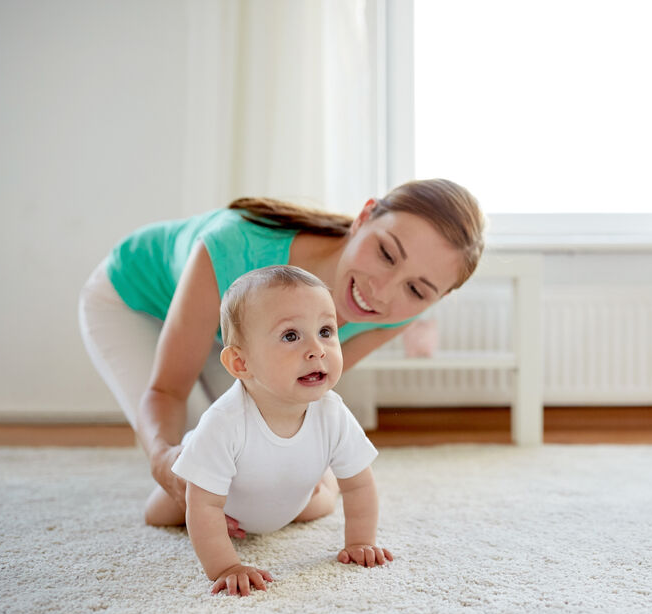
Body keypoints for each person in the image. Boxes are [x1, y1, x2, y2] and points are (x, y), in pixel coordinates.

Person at [79, 179, 485, 536]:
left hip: (237, 338)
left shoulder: (399, 313)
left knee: (257, 460)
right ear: (363, 217)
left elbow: (306, 394)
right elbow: (166, 389)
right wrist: (163, 461)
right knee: (197, 463)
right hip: (135, 302)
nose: (381, 292)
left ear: (437, 298)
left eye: (417, 290)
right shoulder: (233, 246)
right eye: (386, 253)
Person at [147, 265, 392, 596]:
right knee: (160, 514)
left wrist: (361, 541)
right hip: (222, 497)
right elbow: (205, 507)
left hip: (289, 495)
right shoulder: (224, 422)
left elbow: (360, 485)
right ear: (241, 364)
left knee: (321, 504)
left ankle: (321, 478)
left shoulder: (332, 411)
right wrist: (227, 566)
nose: (317, 349)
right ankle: (185, 475)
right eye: (291, 336)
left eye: (325, 331)